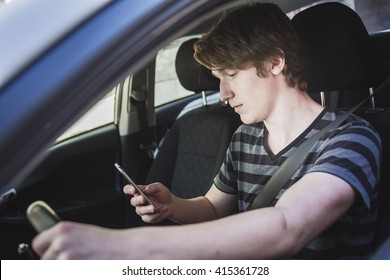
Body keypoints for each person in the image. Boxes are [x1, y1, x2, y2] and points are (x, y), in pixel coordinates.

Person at [32, 2, 381, 259]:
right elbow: (213, 207)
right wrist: (173, 206)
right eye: (219, 79)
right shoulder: (245, 138)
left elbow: (289, 225)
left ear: (275, 61)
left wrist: (116, 246)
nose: (224, 94)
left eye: (231, 74)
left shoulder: (352, 139)